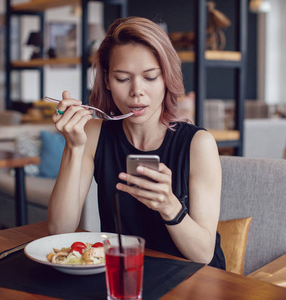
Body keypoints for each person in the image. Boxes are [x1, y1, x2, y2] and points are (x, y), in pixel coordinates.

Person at [48, 16, 225, 269]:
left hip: (194, 281)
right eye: (123, 78)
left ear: (166, 78)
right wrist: (74, 147)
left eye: (150, 77)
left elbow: (204, 255)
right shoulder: (95, 135)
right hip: (124, 275)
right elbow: (58, 230)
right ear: (107, 80)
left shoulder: (199, 144)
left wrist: (169, 206)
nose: (136, 92)